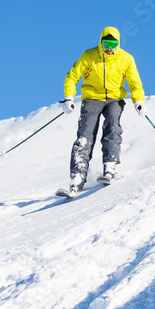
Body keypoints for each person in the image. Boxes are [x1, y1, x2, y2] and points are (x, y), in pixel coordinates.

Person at [58, 26, 145, 197]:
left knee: (112, 125)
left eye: (113, 45)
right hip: (92, 98)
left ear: (118, 44)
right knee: (85, 135)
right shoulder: (89, 56)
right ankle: (78, 177)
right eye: (106, 44)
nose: (109, 49)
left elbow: (135, 83)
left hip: (114, 98)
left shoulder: (126, 59)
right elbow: (72, 76)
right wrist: (69, 97)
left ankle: (110, 166)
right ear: (100, 42)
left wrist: (138, 101)